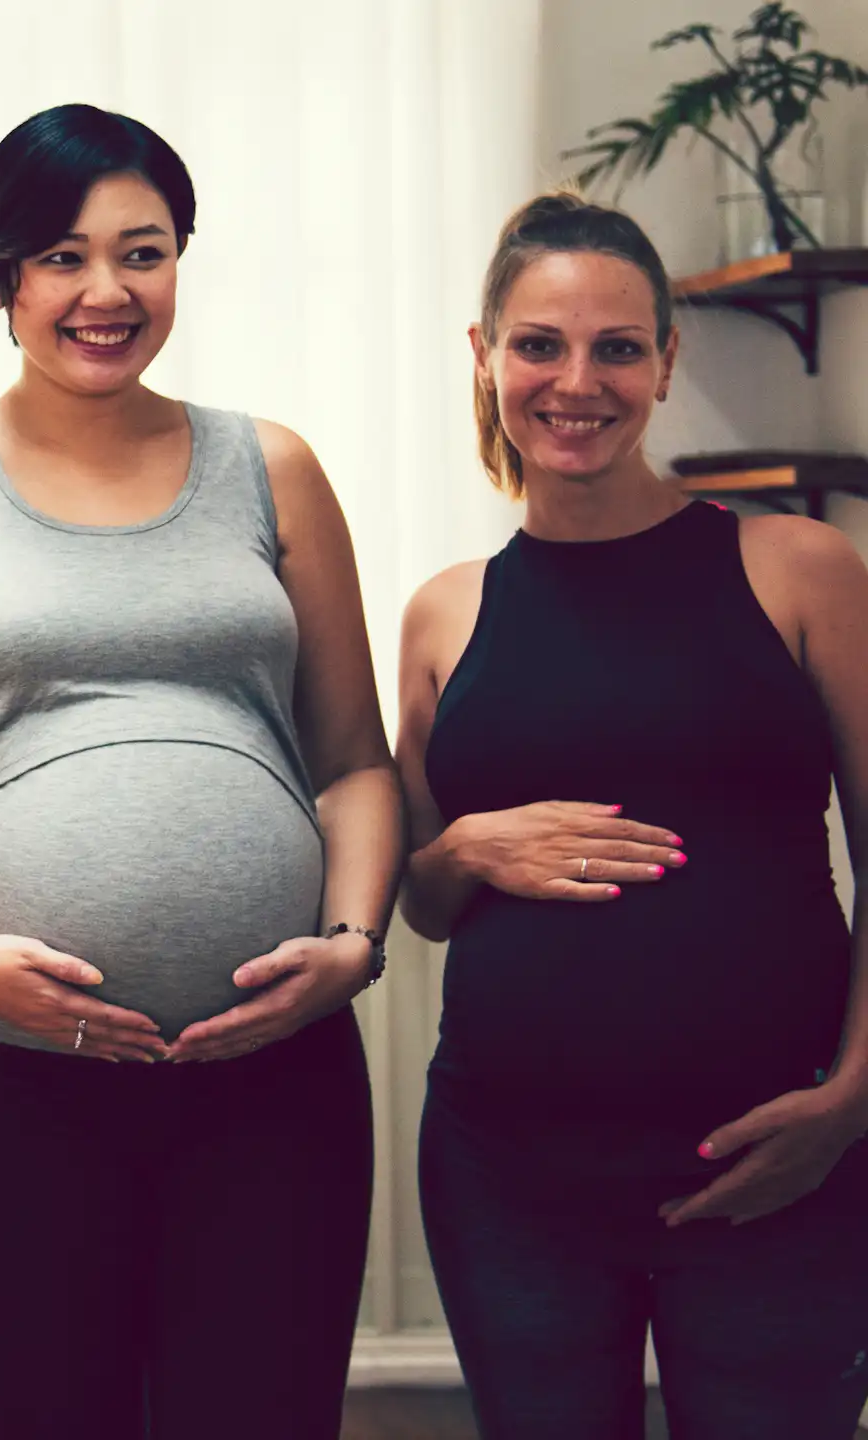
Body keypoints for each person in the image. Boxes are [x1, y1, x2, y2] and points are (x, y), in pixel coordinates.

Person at [0, 104, 405, 1437]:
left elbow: (357, 761)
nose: (106, 291)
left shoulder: (275, 470)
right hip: (2, 1072)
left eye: (143, 253)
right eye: (61, 255)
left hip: (273, 1068)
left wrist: (356, 944)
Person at [395, 193, 868, 1438]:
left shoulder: (797, 569)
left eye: (616, 347)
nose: (576, 381)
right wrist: (464, 845)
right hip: (510, 1175)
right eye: (539, 344)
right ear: (485, 355)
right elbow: (420, 897)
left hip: (774, 1161)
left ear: (666, 362)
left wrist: (853, 1097)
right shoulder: (444, 614)